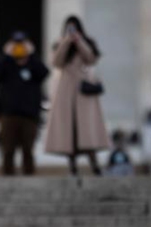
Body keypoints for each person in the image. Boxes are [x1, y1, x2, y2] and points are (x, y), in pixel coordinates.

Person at [44, 15, 110, 175]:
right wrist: (66, 41)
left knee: (86, 130)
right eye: (69, 28)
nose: (72, 31)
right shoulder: (60, 44)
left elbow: (90, 59)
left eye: (74, 28)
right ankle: (72, 166)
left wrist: (79, 41)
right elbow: (57, 62)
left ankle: (94, 164)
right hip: (66, 91)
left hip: (83, 92)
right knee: (69, 130)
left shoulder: (88, 42)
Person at [0, 32, 50, 175]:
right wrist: (6, 55)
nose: (19, 48)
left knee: (28, 149)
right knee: (7, 150)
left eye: (21, 44)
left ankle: (29, 178)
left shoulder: (33, 65)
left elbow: (44, 73)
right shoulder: (7, 65)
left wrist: (32, 54)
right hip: (8, 114)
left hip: (29, 115)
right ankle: (7, 178)